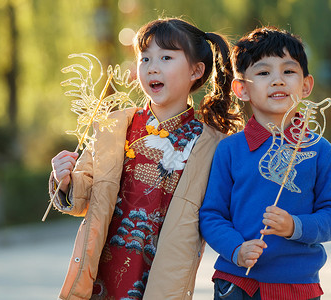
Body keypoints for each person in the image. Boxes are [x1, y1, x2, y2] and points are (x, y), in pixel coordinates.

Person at [49, 18, 243, 300]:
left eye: (166, 57)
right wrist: (65, 180)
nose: (152, 67)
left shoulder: (213, 144)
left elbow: (218, 212)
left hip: (164, 273)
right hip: (102, 267)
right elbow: (84, 197)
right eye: (144, 58)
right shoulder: (113, 127)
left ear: (196, 70)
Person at [199, 26, 331, 300]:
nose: (278, 80)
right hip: (237, 282)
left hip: (297, 284)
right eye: (264, 73)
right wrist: (236, 249)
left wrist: (294, 226)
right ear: (242, 89)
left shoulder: (320, 150)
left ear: (305, 85)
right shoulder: (229, 150)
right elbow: (212, 215)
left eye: (288, 71)